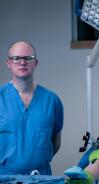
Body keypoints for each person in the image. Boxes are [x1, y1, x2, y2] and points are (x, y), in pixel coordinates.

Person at [0, 41, 64, 175]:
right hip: (4, 182)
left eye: (28, 58)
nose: (22, 62)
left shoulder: (51, 100)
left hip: (40, 181)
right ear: (9, 63)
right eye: (16, 58)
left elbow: (55, 141)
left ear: (35, 63)